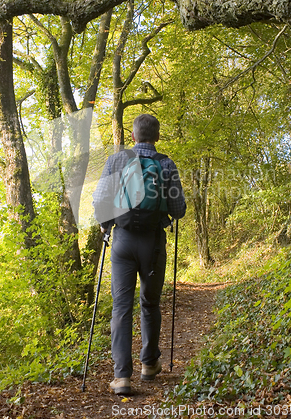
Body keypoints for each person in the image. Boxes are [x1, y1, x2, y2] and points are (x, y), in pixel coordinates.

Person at [92, 114, 186, 395]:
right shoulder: (165, 164)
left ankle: (121, 377)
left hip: (122, 241)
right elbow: (179, 209)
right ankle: (149, 364)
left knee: (121, 307)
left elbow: (99, 201)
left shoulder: (117, 160)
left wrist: (105, 225)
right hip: (153, 243)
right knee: (150, 303)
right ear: (156, 137)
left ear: (133, 136)